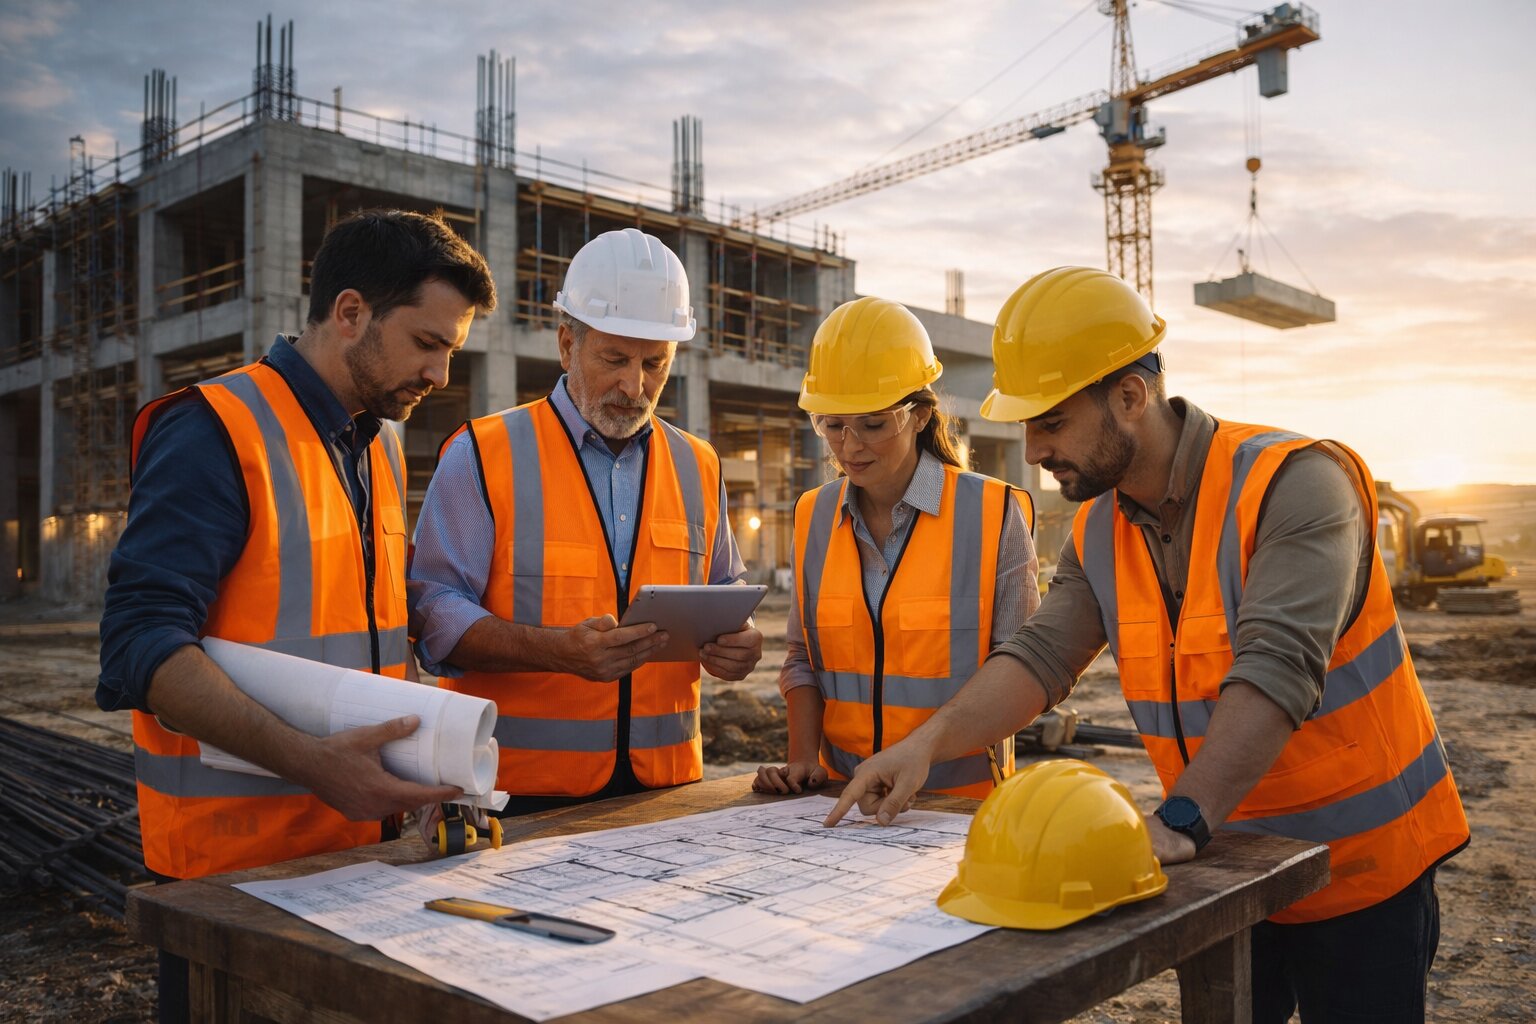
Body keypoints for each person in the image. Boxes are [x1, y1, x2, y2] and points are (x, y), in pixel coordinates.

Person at [826, 267, 1469, 1023]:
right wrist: (925, 745)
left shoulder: (1295, 483)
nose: (1033, 450)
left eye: (1053, 422)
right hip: (1226, 867)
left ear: (1130, 396)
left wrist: (1182, 822)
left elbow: (1276, 669)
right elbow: (1038, 659)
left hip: (1359, 874)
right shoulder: (1100, 528)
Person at [98, 209, 497, 1020]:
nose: (442, 374)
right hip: (233, 877)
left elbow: (368, 630)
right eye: (427, 343)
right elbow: (141, 645)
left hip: (357, 855)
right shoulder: (213, 429)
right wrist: (315, 764)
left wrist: (419, 761)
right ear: (350, 313)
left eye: (451, 349)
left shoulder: (375, 443)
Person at [408, 227, 762, 817]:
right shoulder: (482, 453)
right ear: (568, 345)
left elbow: (724, 591)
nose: (635, 385)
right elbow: (433, 615)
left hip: (666, 793)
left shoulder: (698, 464)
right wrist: (555, 651)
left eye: (655, 364)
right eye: (615, 359)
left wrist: (738, 646)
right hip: (510, 794)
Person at [753, 297, 1039, 799]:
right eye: (833, 425)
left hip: (958, 810)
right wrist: (802, 761)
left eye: (873, 424)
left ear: (921, 415)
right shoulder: (812, 516)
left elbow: (1025, 672)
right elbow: (803, 657)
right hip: (839, 802)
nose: (850, 446)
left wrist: (924, 751)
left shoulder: (993, 514)